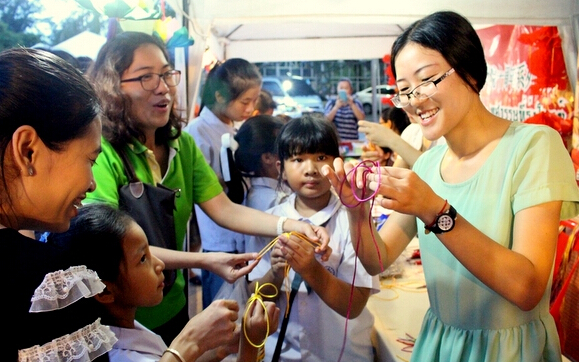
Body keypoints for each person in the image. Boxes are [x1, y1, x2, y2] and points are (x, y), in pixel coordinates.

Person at [323, 11, 579, 362]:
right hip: (440, 345)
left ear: (470, 71)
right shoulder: (428, 164)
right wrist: (357, 212)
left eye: (426, 80)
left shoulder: (534, 146)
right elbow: (376, 260)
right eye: (404, 90)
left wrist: (434, 210)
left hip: (508, 350)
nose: (413, 99)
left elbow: (526, 288)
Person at [84, 32, 328, 344]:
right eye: (146, 77)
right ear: (113, 86)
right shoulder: (102, 151)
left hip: (170, 299)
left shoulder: (181, 144)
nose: (163, 88)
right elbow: (115, 245)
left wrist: (292, 225)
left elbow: (223, 208)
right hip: (119, 316)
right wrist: (203, 260)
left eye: (166, 75)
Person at [47, 203, 280, 362]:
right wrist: (251, 344)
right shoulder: (120, 355)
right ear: (105, 290)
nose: (159, 264)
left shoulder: (119, 328)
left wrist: (219, 349)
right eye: (142, 259)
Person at [0, 47, 113, 360]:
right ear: (28, 151)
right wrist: (181, 352)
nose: (92, 183)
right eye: (90, 159)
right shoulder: (46, 287)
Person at [248, 114, 379, 362]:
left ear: (336, 163)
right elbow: (253, 296)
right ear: (281, 169)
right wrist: (275, 274)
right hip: (284, 353)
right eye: (298, 159)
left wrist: (311, 269)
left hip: (343, 354)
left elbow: (354, 305)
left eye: (321, 158)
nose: (311, 169)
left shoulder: (354, 219)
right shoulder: (269, 221)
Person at [183, 58, 260, 309]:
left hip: (243, 234)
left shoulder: (234, 129)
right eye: (244, 101)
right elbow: (199, 187)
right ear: (219, 95)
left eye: (254, 101)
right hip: (219, 240)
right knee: (222, 316)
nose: (250, 108)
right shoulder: (197, 132)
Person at [234, 115, 290, 212]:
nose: (292, 153)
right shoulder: (276, 202)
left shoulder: (258, 191)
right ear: (268, 158)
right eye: (285, 148)